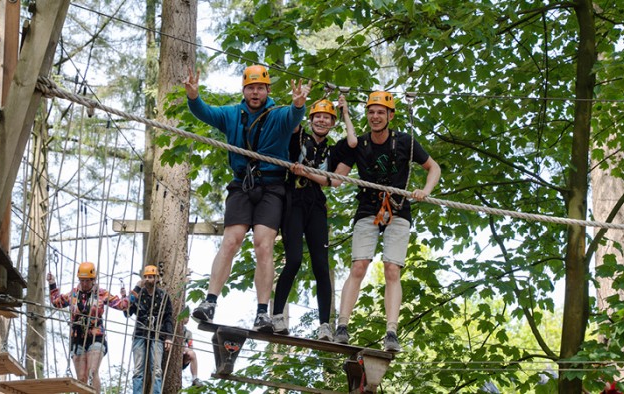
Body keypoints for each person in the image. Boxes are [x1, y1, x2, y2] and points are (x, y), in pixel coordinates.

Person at [184, 64, 311, 332]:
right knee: (231, 241)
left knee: (263, 245)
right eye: (251, 88)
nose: (255, 92)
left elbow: (293, 116)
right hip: (242, 184)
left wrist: (299, 105)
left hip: (272, 186)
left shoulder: (278, 115)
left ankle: (263, 312)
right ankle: (209, 302)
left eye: (260, 88)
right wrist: (193, 96)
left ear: (267, 90)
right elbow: (204, 113)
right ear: (244, 90)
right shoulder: (232, 114)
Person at [332, 91, 441, 352]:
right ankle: (342, 326)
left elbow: (433, 168)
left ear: (390, 116)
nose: (375, 116)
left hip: (399, 208)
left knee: (393, 269)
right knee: (358, 266)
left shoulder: (404, 141)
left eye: (381, 112)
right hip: (368, 207)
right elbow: (336, 179)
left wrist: (425, 191)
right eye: (371, 112)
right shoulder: (358, 145)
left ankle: (391, 331)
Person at [272, 95, 356, 341]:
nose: (321, 120)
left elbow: (351, 147)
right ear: (310, 119)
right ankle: (277, 315)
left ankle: (324, 326)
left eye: (327, 118)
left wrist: (346, 114)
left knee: (321, 264)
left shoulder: (334, 148)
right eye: (318, 116)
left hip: (316, 204)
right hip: (294, 201)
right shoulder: (298, 137)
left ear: (332, 123)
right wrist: (298, 102)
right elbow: (293, 120)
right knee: (294, 260)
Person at [47, 262, 128, 393]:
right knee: (81, 377)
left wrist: (133, 292)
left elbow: (122, 305)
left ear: (93, 280)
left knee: (92, 371)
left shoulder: (102, 294)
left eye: (87, 281)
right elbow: (57, 302)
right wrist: (52, 284)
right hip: (77, 338)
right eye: (82, 280)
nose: (84, 284)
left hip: (96, 336)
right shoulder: (73, 294)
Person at [122, 265, 174, 394]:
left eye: (150, 277)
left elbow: (168, 317)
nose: (147, 279)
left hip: (158, 334)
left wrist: (169, 337)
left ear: (156, 278)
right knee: (138, 370)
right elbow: (127, 313)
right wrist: (132, 291)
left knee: (156, 370)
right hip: (140, 333)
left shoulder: (163, 296)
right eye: (145, 277)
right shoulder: (137, 294)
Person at [181, 318, 203, 387]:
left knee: (192, 353)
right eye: (186, 317)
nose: (188, 319)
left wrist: (184, 349)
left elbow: (191, 347)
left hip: (183, 357)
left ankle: (195, 379)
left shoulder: (188, 333)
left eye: (189, 317)